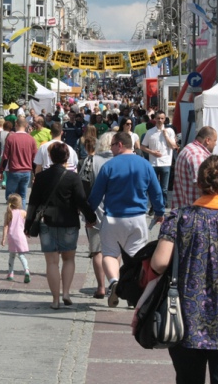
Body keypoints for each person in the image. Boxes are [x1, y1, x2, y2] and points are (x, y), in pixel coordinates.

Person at [150, 155, 218, 384]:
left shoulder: (179, 218)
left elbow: (159, 263)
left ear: (198, 184)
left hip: (189, 314)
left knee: (188, 379)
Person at [88, 131, 164, 308]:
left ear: (120, 145)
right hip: (137, 217)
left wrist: (90, 215)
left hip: (113, 217)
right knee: (135, 258)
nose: (111, 149)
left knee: (109, 254)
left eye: (112, 145)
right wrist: (160, 211)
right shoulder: (145, 165)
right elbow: (156, 191)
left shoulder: (109, 166)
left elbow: (96, 194)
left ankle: (114, 282)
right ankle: (133, 296)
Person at [26, 142, 97, 309]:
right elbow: (81, 200)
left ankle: (55, 300)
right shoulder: (73, 177)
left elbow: (33, 202)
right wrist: (91, 217)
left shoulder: (42, 177)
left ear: (50, 157)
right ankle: (66, 292)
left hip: (47, 222)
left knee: (51, 262)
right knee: (69, 259)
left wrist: (28, 224)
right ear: (67, 157)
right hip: (69, 222)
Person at [86, 131, 116, 299]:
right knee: (114, 251)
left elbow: (83, 185)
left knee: (97, 250)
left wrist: (85, 211)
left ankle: (101, 287)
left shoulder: (91, 161)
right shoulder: (120, 161)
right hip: (117, 212)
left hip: (95, 211)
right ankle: (114, 282)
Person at [140, 110, 178, 210]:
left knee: (164, 188)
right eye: (158, 118)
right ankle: (154, 206)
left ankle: (162, 205)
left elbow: (173, 146)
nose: (160, 120)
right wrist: (152, 152)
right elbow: (142, 146)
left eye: (162, 118)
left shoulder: (169, 131)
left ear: (164, 119)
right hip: (153, 163)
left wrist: (165, 136)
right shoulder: (150, 132)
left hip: (165, 162)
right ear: (155, 119)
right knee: (154, 187)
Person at [173, 126, 217, 209]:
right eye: (215, 140)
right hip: (196, 210)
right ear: (207, 140)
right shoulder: (198, 155)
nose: (216, 144)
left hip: (186, 208)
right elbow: (202, 186)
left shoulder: (188, 148)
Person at [0, 117, 37, 206]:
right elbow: (34, 158)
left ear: (16, 124)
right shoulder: (31, 139)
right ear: (26, 125)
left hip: (14, 170)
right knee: (23, 196)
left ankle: (12, 216)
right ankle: (22, 217)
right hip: (27, 171)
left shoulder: (11, 138)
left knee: (10, 196)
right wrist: (34, 174)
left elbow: (5, 157)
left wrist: (1, 171)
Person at [1, 193, 31, 283]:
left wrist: (3, 238)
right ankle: (26, 270)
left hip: (11, 236)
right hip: (21, 236)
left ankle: (10, 273)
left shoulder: (8, 213)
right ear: (19, 203)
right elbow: (28, 223)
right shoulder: (23, 212)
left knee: (12, 255)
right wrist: (28, 232)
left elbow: (5, 226)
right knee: (21, 255)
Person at [0, 120, 13, 189]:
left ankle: (4, 182)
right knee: (7, 168)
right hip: (9, 154)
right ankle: (5, 181)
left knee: (3, 168)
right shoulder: (12, 134)